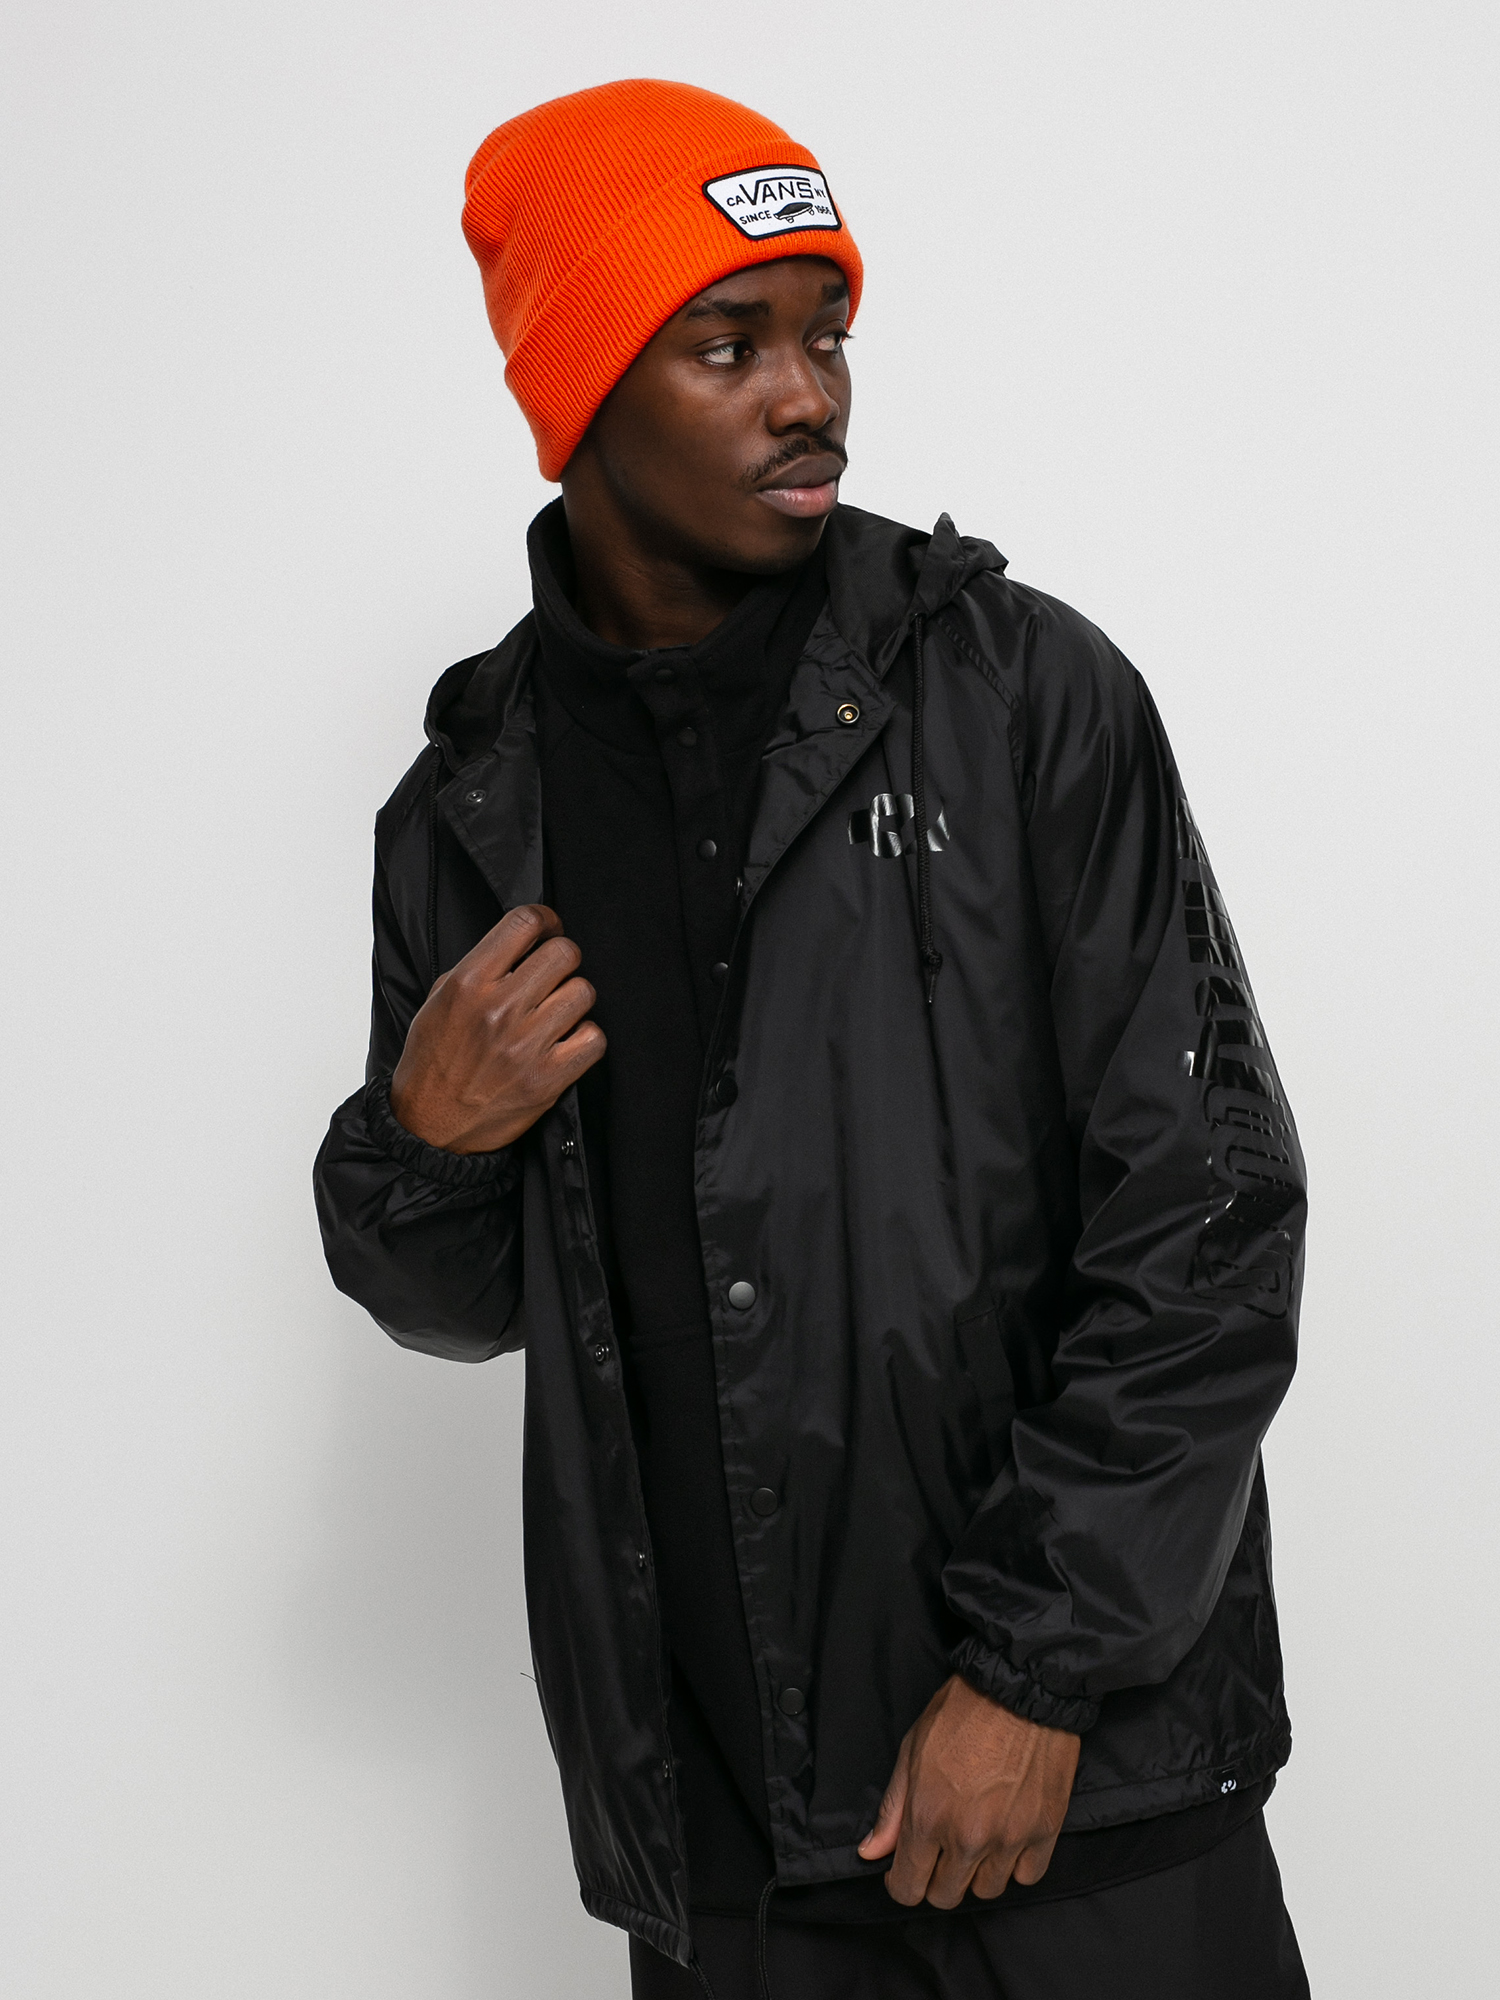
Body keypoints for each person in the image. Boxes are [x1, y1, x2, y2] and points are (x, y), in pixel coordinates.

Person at [314, 78, 1310, 2000]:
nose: (810, 397)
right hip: (733, 1854)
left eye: (827, 334)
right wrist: (428, 1139)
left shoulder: (1020, 697)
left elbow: (1212, 1216)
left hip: (1083, 1813)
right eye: (730, 344)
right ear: (584, 385)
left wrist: (1035, 1675)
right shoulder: (472, 804)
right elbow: (461, 1302)